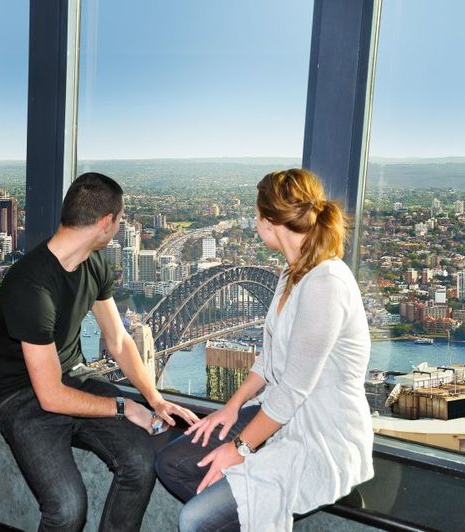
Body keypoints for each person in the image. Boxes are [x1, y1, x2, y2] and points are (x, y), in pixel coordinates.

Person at [155, 168, 374, 531]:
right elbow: (269, 358)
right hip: (280, 416)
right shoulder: (291, 275)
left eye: (257, 215)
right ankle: (243, 506)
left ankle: (243, 503)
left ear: (270, 221)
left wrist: (238, 449)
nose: (254, 223)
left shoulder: (326, 284)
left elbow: (292, 390)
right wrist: (232, 406)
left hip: (318, 435)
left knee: (194, 520)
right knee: (172, 462)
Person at [0, 172, 198, 532]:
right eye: (119, 219)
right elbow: (50, 396)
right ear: (105, 222)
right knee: (67, 507)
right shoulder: (32, 284)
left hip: (73, 377)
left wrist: (155, 399)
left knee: (139, 461)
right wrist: (123, 406)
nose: (119, 225)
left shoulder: (94, 263)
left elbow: (118, 341)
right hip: (23, 397)